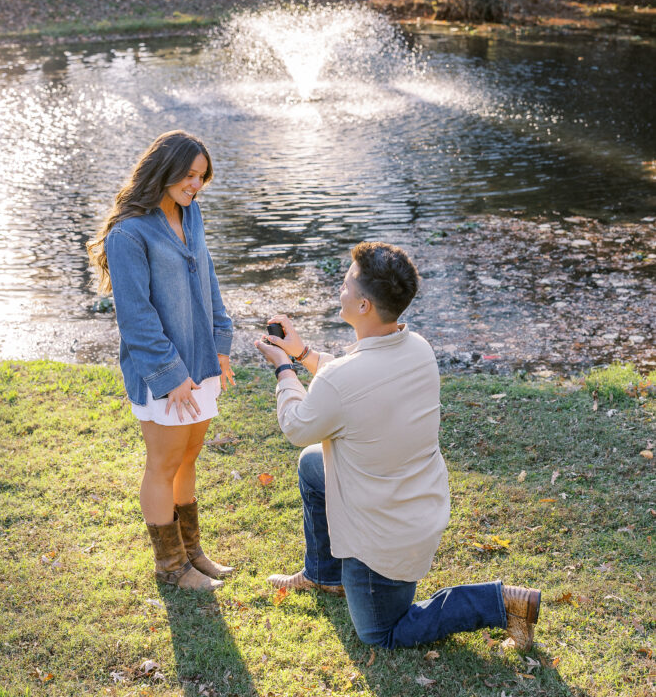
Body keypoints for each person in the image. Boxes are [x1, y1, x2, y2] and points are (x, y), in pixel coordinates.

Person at [255, 241, 541, 651]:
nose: (341, 289)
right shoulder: (417, 347)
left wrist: (284, 368)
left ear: (365, 305)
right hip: (416, 508)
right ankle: (324, 574)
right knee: (312, 465)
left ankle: (501, 603)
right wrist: (301, 352)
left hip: (382, 539)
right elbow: (354, 382)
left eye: (348, 282)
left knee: (381, 633)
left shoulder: (344, 379)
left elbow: (298, 425)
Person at [87, 130, 236, 592]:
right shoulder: (128, 234)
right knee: (164, 462)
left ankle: (192, 553)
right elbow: (135, 317)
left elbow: (208, 281)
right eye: (190, 176)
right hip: (164, 372)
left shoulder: (191, 216)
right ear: (165, 169)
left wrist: (221, 344)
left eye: (202, 177)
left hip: (201, 362)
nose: (196, 185)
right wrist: (171, 377)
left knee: (189, 455)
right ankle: (171, 568)